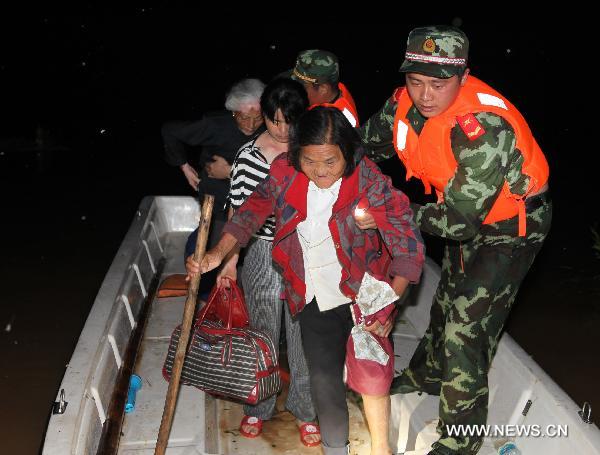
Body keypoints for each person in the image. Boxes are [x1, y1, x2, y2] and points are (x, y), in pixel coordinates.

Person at [358, 26, 552, 455]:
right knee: (446, 298)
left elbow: (458, 223)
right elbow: (362, 145)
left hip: (510, 229)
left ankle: (461, 441)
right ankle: (428, 373)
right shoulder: (403, 102)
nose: (425, 95)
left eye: (438, 84)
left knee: (467, 326)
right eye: (416, 81)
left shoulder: (483, 127)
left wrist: (388, 214)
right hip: (460, 212)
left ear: (463, 78)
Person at [188, 107, 425, 455]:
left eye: (330, 161)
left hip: (368, 292)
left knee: (373, 376)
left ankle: (380, 450)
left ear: (348, 152)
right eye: (310, 161)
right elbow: (250, 212)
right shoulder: (285, 172)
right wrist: (215, 254)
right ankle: (335, 449)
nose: (320, 171)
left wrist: (390, 303)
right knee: (324, 380)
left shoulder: (369, 180)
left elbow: (407, 242)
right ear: (297, 153)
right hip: (315, 293)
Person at [211, 77, 321, 447]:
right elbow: (239, 212)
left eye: (291, 120)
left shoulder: (316, 151)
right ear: (265, 118)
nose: (284, 129)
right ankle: (259, 406)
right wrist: (229, 262)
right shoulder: (248, 156)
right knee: (262, 335)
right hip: (260, 249)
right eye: (276, 120)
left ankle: (305, 410)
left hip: (305, 250)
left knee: (302, 335)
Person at [162, 78, 265, 293]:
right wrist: (184, 166)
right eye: (245, 117)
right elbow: (170, 131)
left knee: (251, 259)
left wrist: (230, 171)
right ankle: (208, 296)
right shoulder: (216, 124)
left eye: (258, 117)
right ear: (233, 112)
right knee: (212, 258)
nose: (251, 124)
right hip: (219, 201)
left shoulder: (271, 129)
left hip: (258, 203)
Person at [288, 49, 360, 127]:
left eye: (302, 87)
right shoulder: (335, 86)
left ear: (323, 88)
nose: (296, 90)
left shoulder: (337, 124)